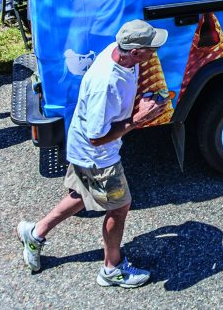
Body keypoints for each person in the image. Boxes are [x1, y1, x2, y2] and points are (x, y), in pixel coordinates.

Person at [17, 19, 168, 288]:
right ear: (135, 52)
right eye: (150, 49)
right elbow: (97, 137)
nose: (154, 52)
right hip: (98, 156)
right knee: (119, 207)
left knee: (82, 195)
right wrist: (137, 119)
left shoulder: (118, 52)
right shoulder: (106, 83)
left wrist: (141, 101)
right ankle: (112, 269)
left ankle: (36, 232)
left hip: (84, 149)